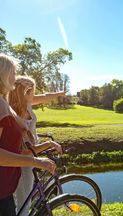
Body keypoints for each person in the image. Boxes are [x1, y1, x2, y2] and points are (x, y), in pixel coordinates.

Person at [0, 53, 56, 216]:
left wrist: (23, 124)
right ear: (3, 74)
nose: (15, 77)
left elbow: (14, 118)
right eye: (13, 72)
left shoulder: (4, 103)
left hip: (5, 188)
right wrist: (35, 161)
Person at [9, 75, 64, 215]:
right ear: (25, 92)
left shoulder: (26, 104)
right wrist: (48, 143)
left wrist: (58, 94)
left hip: (31, 157)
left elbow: (45, 97)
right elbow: (25, 151)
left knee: (23, 201)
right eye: (33, 90)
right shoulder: (17, 115)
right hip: (24, 164)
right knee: (23, 206)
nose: (35, 94)